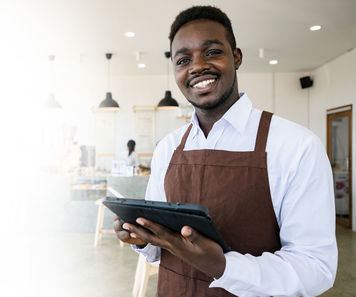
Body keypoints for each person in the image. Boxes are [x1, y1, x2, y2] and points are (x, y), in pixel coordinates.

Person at [113, 6, 337, 297]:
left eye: (211, 52)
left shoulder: (296, 146)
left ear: (236, 57)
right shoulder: (167, 148)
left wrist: (223, 267)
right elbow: (161, 248)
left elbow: (316, 268)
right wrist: (143, 239)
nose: (196, 67)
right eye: (183, 60)